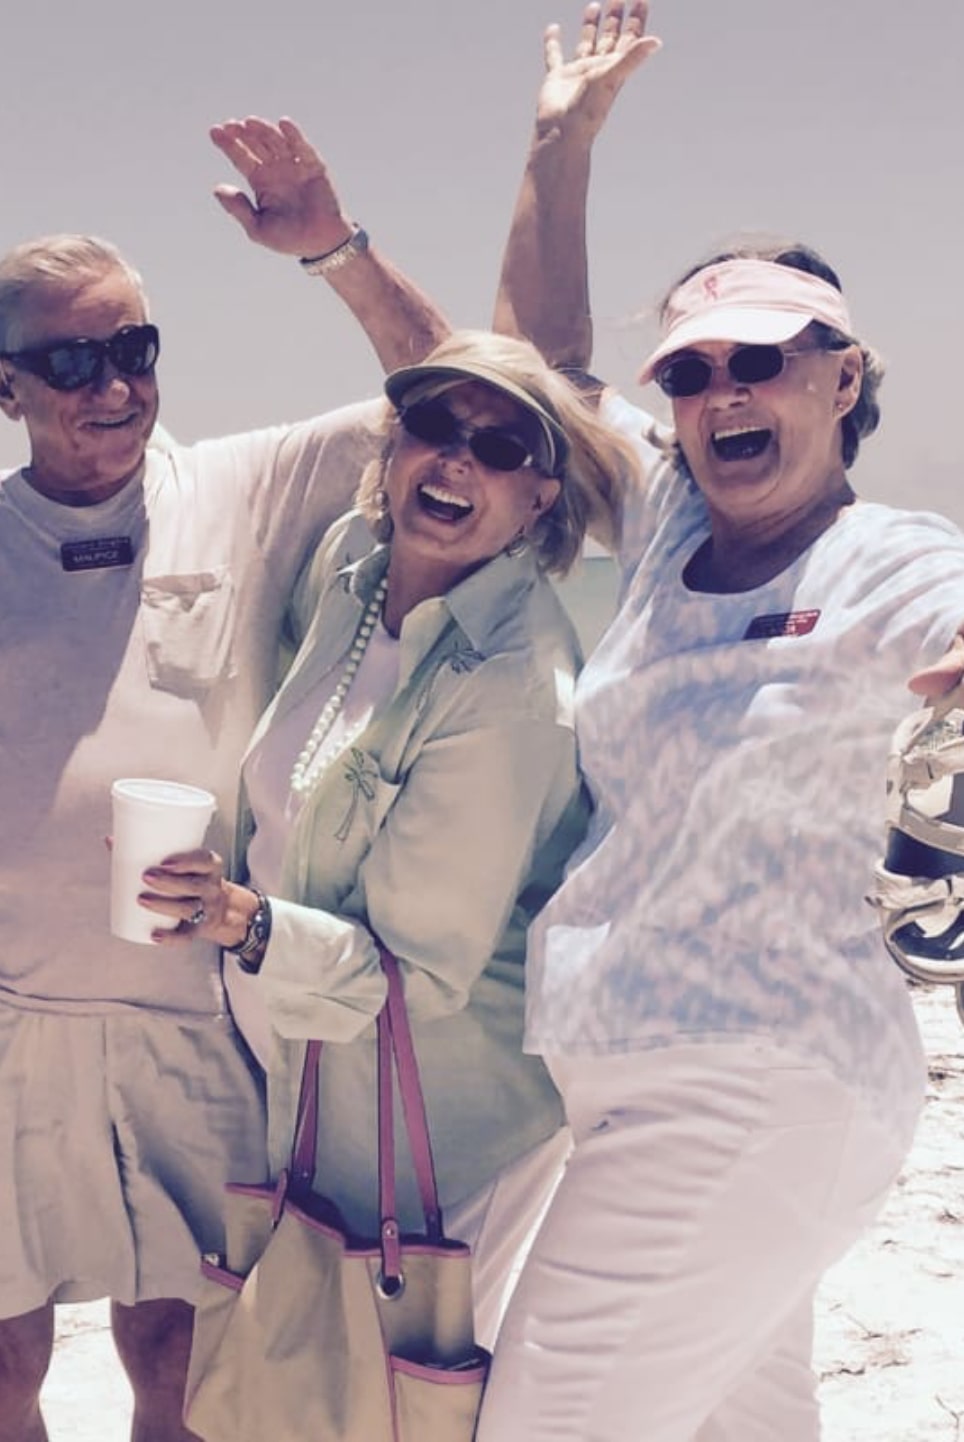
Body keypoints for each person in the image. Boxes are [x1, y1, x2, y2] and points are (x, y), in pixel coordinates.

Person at [472, 4, 964, 1439]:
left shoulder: (893, 562)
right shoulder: (675, 526)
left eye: (763, 361)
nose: (723, 392)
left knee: (548, 1421)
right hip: (629, 1085)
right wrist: (560, 141)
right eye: (691, 372)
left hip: (761, 1082)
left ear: (841, 375)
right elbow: (543, 366)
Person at [0, 115, 449, 1442]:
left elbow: (471, 397)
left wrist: (337, 252)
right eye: (68, 358)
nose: (111, 383)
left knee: (184, 1356)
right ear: (7, 382)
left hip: (194, 1016)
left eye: (133, 347)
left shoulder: (241, 488)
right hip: (7, 1015)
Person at [139, 325, 636, 1350]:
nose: (459, 458)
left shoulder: (512, 688)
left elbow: (414, 973)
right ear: (392, 446)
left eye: (503, 447)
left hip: (435, 1134)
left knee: (402, 1409)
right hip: (308, 1089)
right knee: (310, 1401)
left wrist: (242, 922)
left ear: (542, 498)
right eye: (434, 425)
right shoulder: (350, 572)